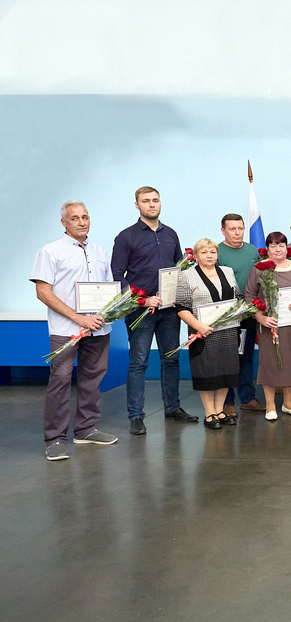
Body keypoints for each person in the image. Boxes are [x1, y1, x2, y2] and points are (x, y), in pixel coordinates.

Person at [31, 200, 118, 461]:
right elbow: (42, 292)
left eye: (85, 217)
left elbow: (108, 289)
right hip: (66, 329)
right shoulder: (50, 251)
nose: (81, 222)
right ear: (64, 222)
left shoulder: (100, 251)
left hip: (98, 328)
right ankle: (55, 439)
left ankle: (86, 429)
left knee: (92, 378)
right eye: (75, 218)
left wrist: (107, 313)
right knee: (60, 380)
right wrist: (78, 318)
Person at [111, 186, 198, 435]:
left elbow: (178, 268)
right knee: (138, 363)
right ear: (137, 205)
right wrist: (142, 300)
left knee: (170, 360)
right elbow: (117, 275)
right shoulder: (126, 237)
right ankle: (136, 416)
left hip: (168, 310)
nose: (152, 205)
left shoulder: (170, 234)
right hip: (140, 311)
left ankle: (173, 408)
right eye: (146, 201)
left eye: (155, 200)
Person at [174, 238, 242, 429]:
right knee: (206, 373)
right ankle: (209, 413)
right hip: (202, 333)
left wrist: (239, 312)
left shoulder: (227, 272)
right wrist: (198, 325)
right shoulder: (186, 276)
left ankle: (220, 410)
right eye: (204, 252)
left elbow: (237, 297)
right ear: (195, 256)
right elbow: (181, 306)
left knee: (225, 372)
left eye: (212, 252)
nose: (209, 255)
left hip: (227, 331)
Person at [244, 231, 291, 421]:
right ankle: (270, 406)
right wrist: (259, 317)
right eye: (273, 245)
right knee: (270, 363)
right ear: (267, 249)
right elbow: (249, 296)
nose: (278, 249)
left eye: (281, 245)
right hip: (268, 325)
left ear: (287, 248)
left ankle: (288, 404)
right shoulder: (259, 269)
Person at [217, 213, 266, 415]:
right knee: (227, 358)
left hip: (248, 313)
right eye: (232, 229)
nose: (237, 233)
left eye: (240, 228)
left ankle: (248, 398)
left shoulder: (252, 250)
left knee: (246, 357)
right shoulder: (216, 252)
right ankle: (227, 401)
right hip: (226, 315)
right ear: (223, 231)